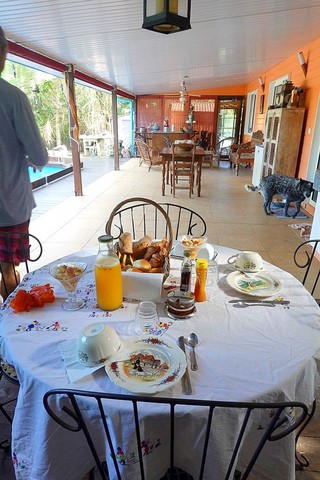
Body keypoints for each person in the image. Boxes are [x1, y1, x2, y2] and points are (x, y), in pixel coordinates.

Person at [0, 26, 48, 300]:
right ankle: (9, 327)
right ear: (3, 53)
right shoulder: (12, 98)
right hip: (8, 204)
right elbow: (40, 156)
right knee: (9, 272)